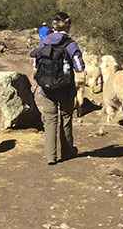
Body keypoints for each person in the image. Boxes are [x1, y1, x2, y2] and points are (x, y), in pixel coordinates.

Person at [30, 12, 85, 165]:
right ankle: (67, 151)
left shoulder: (44, 42)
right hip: (65, 87)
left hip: (46, 87)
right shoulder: (70, 44)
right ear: (68, 25)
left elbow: (35, 64)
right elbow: (80, 67)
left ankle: (50, 156)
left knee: (49, 120)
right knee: (66, 117)